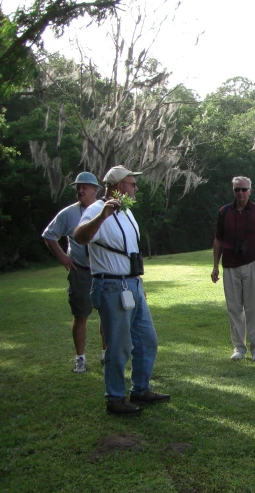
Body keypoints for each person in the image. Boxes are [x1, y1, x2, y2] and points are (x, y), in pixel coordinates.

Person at [75, 165, 169, 416]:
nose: (136, 187)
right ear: (117, 186)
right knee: (119, 345)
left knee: (147, 341)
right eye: (131, 183)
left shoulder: (127, 213)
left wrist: (140, 283)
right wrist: (102, 216)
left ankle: (140, 389)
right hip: (111, 286)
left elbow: (131, 253)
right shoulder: (96, 210)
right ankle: (115, 398)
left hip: (133, 285)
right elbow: (80, 236)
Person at [42, 172, 107, 373]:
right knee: (81, 316)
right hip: (80, 272)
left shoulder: (105, 210)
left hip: (103, 271)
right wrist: (63, 257)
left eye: (84, 187)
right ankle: (80, 358)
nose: (80, 190)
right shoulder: (68, 213)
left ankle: (106, 354)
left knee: (106, 314)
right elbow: (49, 235)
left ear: (95, 190)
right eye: (78, 187)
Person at [211, 176, 255, 362]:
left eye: (244, 189)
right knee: (234, 308)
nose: (240, 193)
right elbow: (218, 240)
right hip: (229, 264)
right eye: (237, 190)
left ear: (250, 191)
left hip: (253, 262)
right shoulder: (224, 212)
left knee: (254, 308)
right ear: (233, 191)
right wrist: (215, 266)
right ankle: (239, 347)